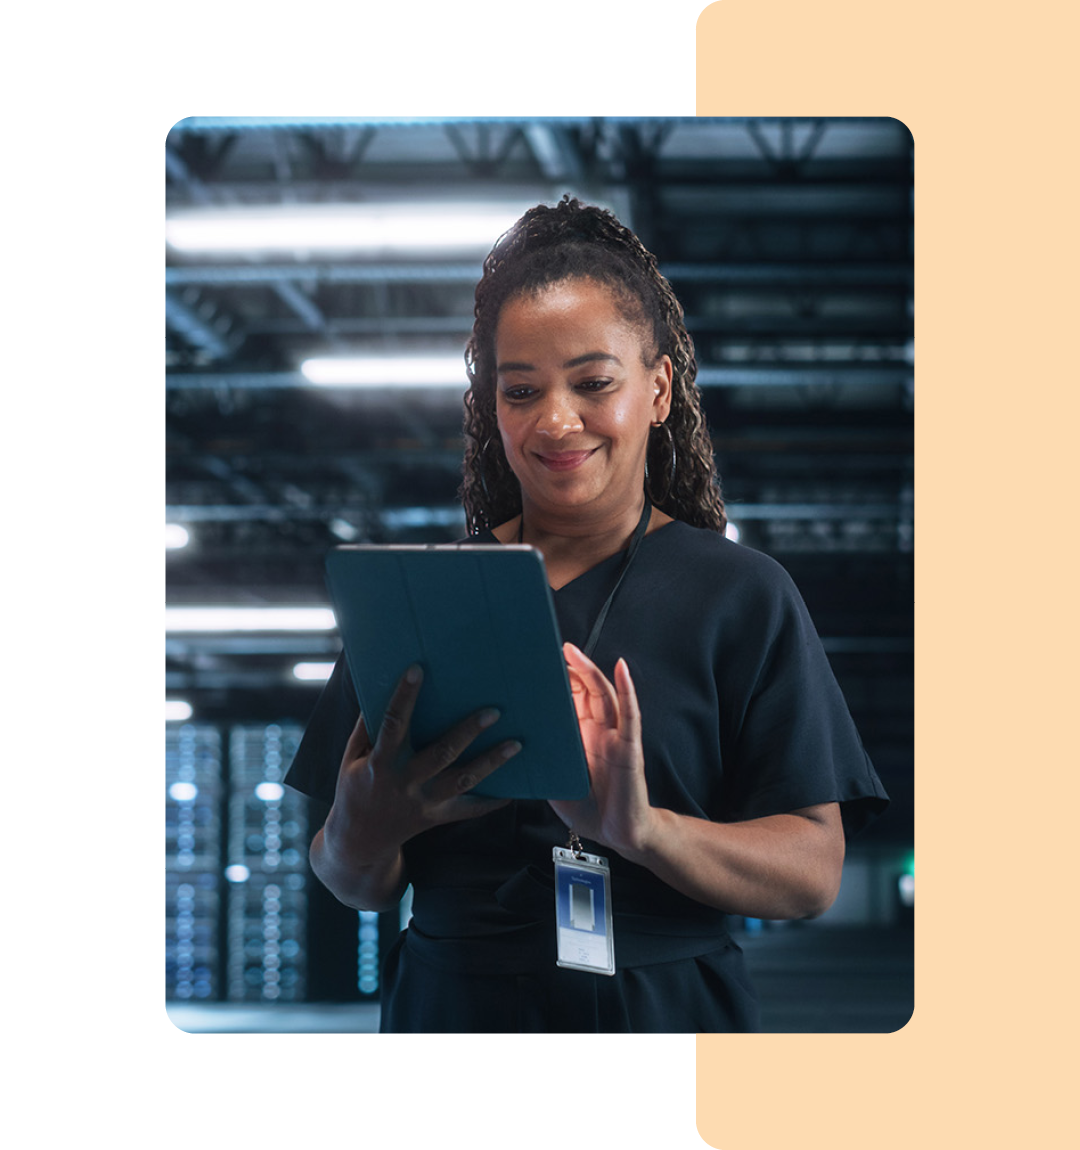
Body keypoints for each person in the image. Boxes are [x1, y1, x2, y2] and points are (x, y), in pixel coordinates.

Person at [284, 196, 889, 1033]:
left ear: (659, 389)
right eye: (521, 389)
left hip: (665, 1014)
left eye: (594, 383)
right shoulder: (422, 594)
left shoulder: (740, 594)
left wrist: (645, 831)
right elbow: (351, 878)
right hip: (452, 1012)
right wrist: (360, 835)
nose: (555, 421)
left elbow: (812, 873)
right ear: (492, 407)